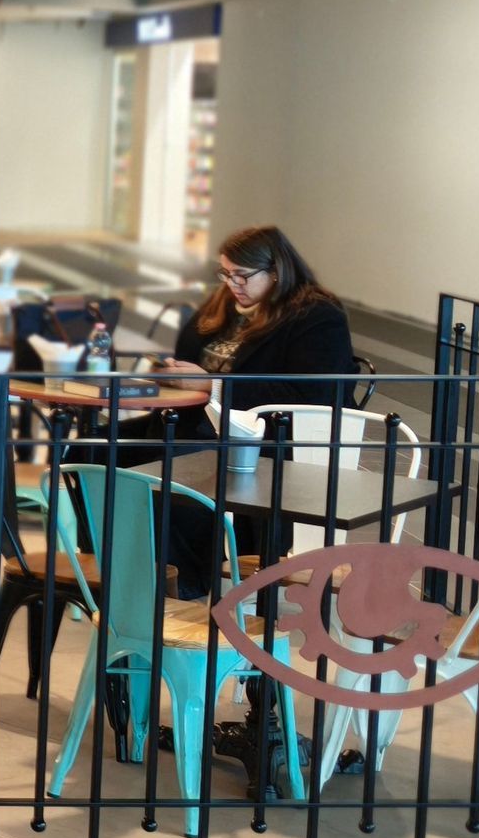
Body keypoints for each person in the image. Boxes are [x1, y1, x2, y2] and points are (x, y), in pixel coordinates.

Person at [142, 224, 356, 591]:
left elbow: (314, 393)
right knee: (97, 448)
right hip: (199, 422)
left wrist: (212, 384)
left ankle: (185, 583)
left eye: (241, 275)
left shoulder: (315, 315)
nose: (231, 284)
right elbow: (191, 356)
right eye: (225, 273)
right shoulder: (225, 303)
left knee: (166, 474)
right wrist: (174, 372)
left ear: (276, 271)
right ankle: (117, 567)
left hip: (263, 438)